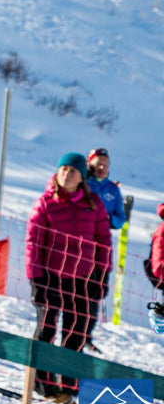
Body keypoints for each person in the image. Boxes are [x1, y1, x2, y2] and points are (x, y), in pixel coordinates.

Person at [25, 152, 111, 401]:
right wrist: (36, 278)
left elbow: (103, 241)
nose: (66, 174)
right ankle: (42, 382)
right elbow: (33, 242)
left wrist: (101, 275)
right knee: (47, 328)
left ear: (82, 176)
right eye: (63, 169)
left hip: (82, 277)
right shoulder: (45, 202)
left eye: (72, 170)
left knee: (77, 331)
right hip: (51, 275)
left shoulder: (93, 203)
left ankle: (70, 383)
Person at [83, 147, 126, 346]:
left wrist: (107, 218)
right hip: (82, 244)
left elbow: (120, 219)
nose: (101, 167)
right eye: (98, 163)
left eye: (105, 164)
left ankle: (87, 335)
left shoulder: (113, 189)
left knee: (96, 292)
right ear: (89, 163)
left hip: (102, 247)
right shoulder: (83, 182)